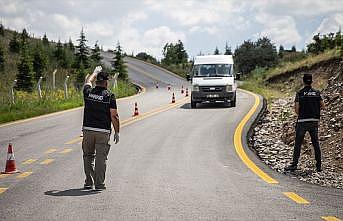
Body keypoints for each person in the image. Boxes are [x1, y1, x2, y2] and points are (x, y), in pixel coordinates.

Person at [82, 66, 120, 190]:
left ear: (97, 81)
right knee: (100, 158)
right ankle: (99, 184)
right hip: (103, 131)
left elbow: (87, 82)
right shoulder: (109, 96)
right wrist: (117, 132)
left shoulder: (88, 92)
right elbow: (114, 116)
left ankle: (89, 182)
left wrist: (94, 72)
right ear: (106, 82)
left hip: (87, 129)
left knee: (88, 156)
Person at [285, 73, 324, 172]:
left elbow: (296, 110)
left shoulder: (300, 93)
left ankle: (294, 165)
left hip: (302, 121)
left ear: (303, 81)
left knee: (298, 143)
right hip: (314, 121)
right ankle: (318, 166)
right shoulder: (317, 93)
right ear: (311, 81)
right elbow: (323, 106)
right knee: (315, 143)